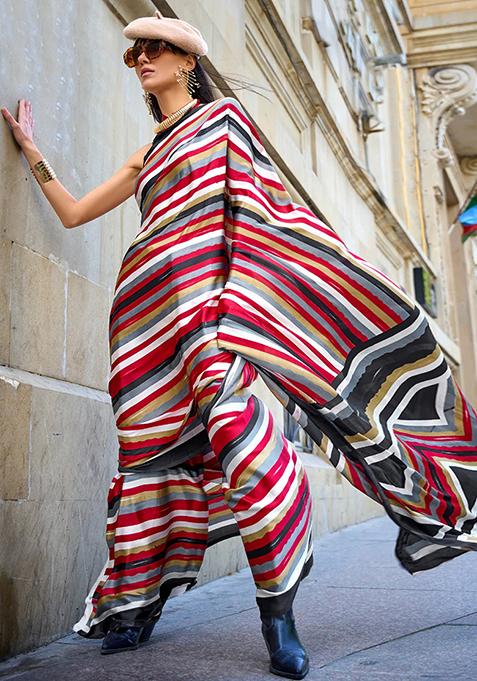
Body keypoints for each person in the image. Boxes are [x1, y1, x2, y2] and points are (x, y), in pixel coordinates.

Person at [2, 9, 477, 680]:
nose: (142, 60)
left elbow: (272, 217)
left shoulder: (224, 124)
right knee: (148, 458)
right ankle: (136, 602)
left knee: (246, 453)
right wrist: (33, 151)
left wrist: (281, 292)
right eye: (136, 52)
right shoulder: (147, 150)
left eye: (156, 50)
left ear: (185, 62)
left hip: (209, 318)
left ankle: (276, 615)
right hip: (141, 319)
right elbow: (77, 211)